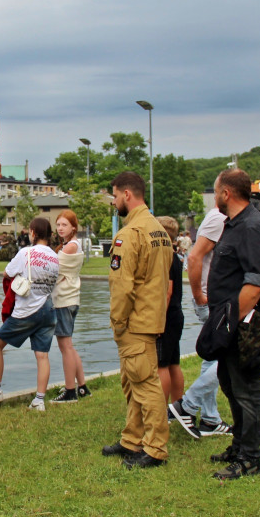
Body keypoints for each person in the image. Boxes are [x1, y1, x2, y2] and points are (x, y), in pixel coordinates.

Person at [101, 172, 172, 469]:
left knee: (145, 384)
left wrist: (118, 322)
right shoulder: (159, 230)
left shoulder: (129, 234)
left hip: (134, 321)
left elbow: (122, 286)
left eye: (115, 196)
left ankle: (155, 448)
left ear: (127, 195)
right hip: (152, 317)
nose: (114, 202)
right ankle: (132, 438)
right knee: (133, 380)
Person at [207, 168, 260, 480]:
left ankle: (251, 458)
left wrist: (229, 324)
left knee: (246, 388)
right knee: (229, 383)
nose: (214, 196)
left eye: (215, 190)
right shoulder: (234, 224)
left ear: (226, 193)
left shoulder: (251, 227)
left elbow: (255, 285)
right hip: (228, 319)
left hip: (244, 322)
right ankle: (239, 445)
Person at [169, 207, 232, 439]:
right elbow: (195, 256)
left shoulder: (221, 218)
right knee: (229, 356)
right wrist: (199, 295)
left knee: (212, 358)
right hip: (213, 300)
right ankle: (187, 404)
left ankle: (210, 419)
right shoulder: (218, 218)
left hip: (216, 298)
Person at [0, 217, 60, 412]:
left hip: (27, 310)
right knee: (42, 355)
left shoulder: (26, 252)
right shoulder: (54, 257)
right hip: (48, 309)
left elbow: (7, 273)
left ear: (33, 233)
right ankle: (39, 400)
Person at [50, 210, 89, 403]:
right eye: (58, 225)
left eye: (64, 225)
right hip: (71, 298)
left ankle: (70, 391)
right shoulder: (71, 245)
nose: (60, 228)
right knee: (70, 347)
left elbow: (52, 269)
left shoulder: (70, 247)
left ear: (74, 227)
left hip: (64, 300)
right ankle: (81, 386)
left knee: (65, 347)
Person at [155, 216, 185, 410]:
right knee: (174, 363)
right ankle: (178, 406)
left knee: (161, 365)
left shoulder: (165, 257)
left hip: (166, 316)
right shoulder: (176, 257)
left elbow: (167, 290)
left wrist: (158, 320)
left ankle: (162, 409)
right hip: (177, 314)